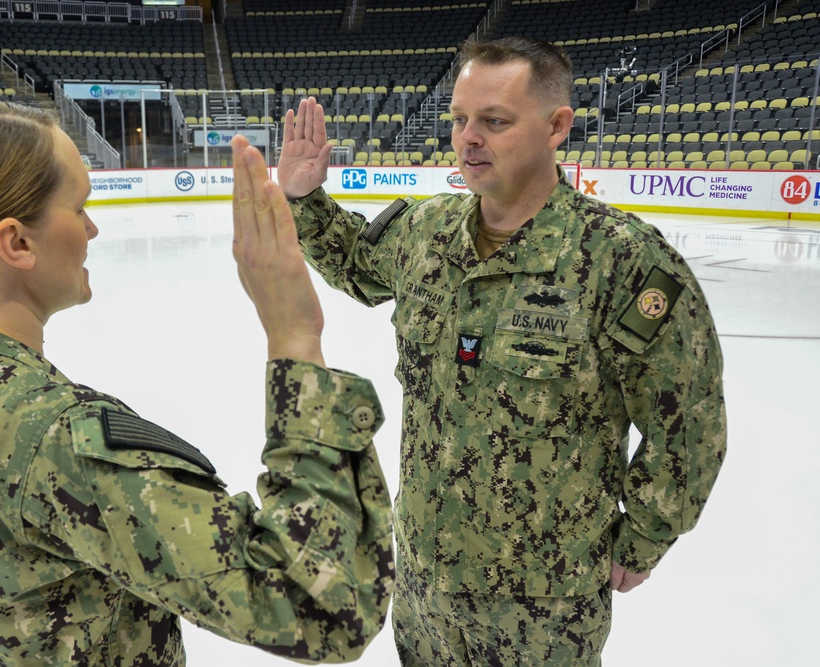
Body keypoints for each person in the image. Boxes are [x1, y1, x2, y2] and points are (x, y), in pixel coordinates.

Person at [0, 101, 394, 666]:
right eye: (78, 207)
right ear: (17, 244)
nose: (93, 227)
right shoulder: (59, 442)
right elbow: (321, 608)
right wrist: (295, 335)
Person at [277, 37, 726, 666]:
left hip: (545, 607)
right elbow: (355, 262)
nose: (468, 138)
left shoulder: (621, 259)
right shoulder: (426, 232)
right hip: (426, 586)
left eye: (494, 121)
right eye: (460, 119)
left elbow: (688, 425)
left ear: (556, 126)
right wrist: (304, 198)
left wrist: (643, 539)